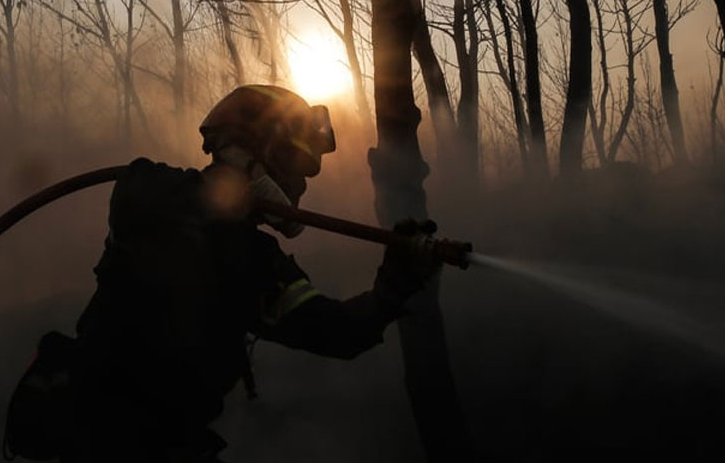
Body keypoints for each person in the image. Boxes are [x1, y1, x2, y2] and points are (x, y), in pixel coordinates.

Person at [51, 85, 444, 462]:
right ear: (252, 155)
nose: (301, 187)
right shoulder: (185, 213)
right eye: (295, 167)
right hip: (128, 443)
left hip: (124, 437)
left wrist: (394, 285)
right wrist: (396, 282)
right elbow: (337, 331)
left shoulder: (233, 243)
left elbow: (332, 330)